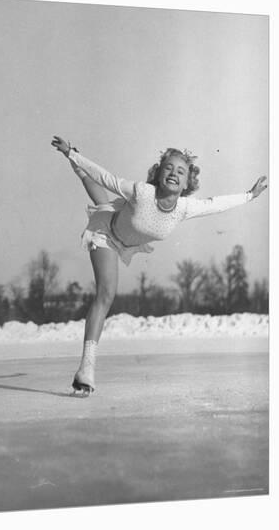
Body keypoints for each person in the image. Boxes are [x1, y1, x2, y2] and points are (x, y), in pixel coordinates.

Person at [51, 135, 267, 396]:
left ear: (188, 181)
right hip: (105, 234)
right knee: (106, 294)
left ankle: (80, 170)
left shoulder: (185, 207)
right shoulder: (142, 192)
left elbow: (216, 205)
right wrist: (72, 155)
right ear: (158, 172)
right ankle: (86, 369)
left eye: (181, 171)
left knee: (103, 204)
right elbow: (106, 178)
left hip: (126, 239)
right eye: (168, 168)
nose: (174, 173)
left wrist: (249, 195)